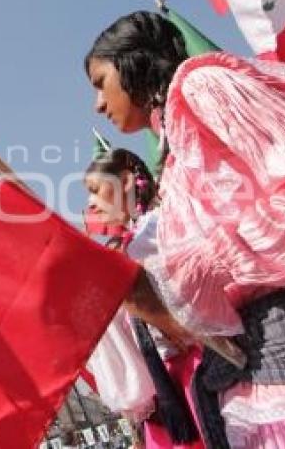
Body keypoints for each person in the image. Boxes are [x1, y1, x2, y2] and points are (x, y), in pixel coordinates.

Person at [83, 11, 285, 447]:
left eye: (100, 82)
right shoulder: (176, 135)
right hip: (262, 380)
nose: (98, 104)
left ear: (132, 61)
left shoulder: (202, 84)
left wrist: (203, 263)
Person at [84, 145, 203, 448]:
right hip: (163, 388)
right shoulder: (124, 247)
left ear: (125, 182)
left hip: (196, 374)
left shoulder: (162, 229)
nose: (91, 203)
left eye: (96, 190)